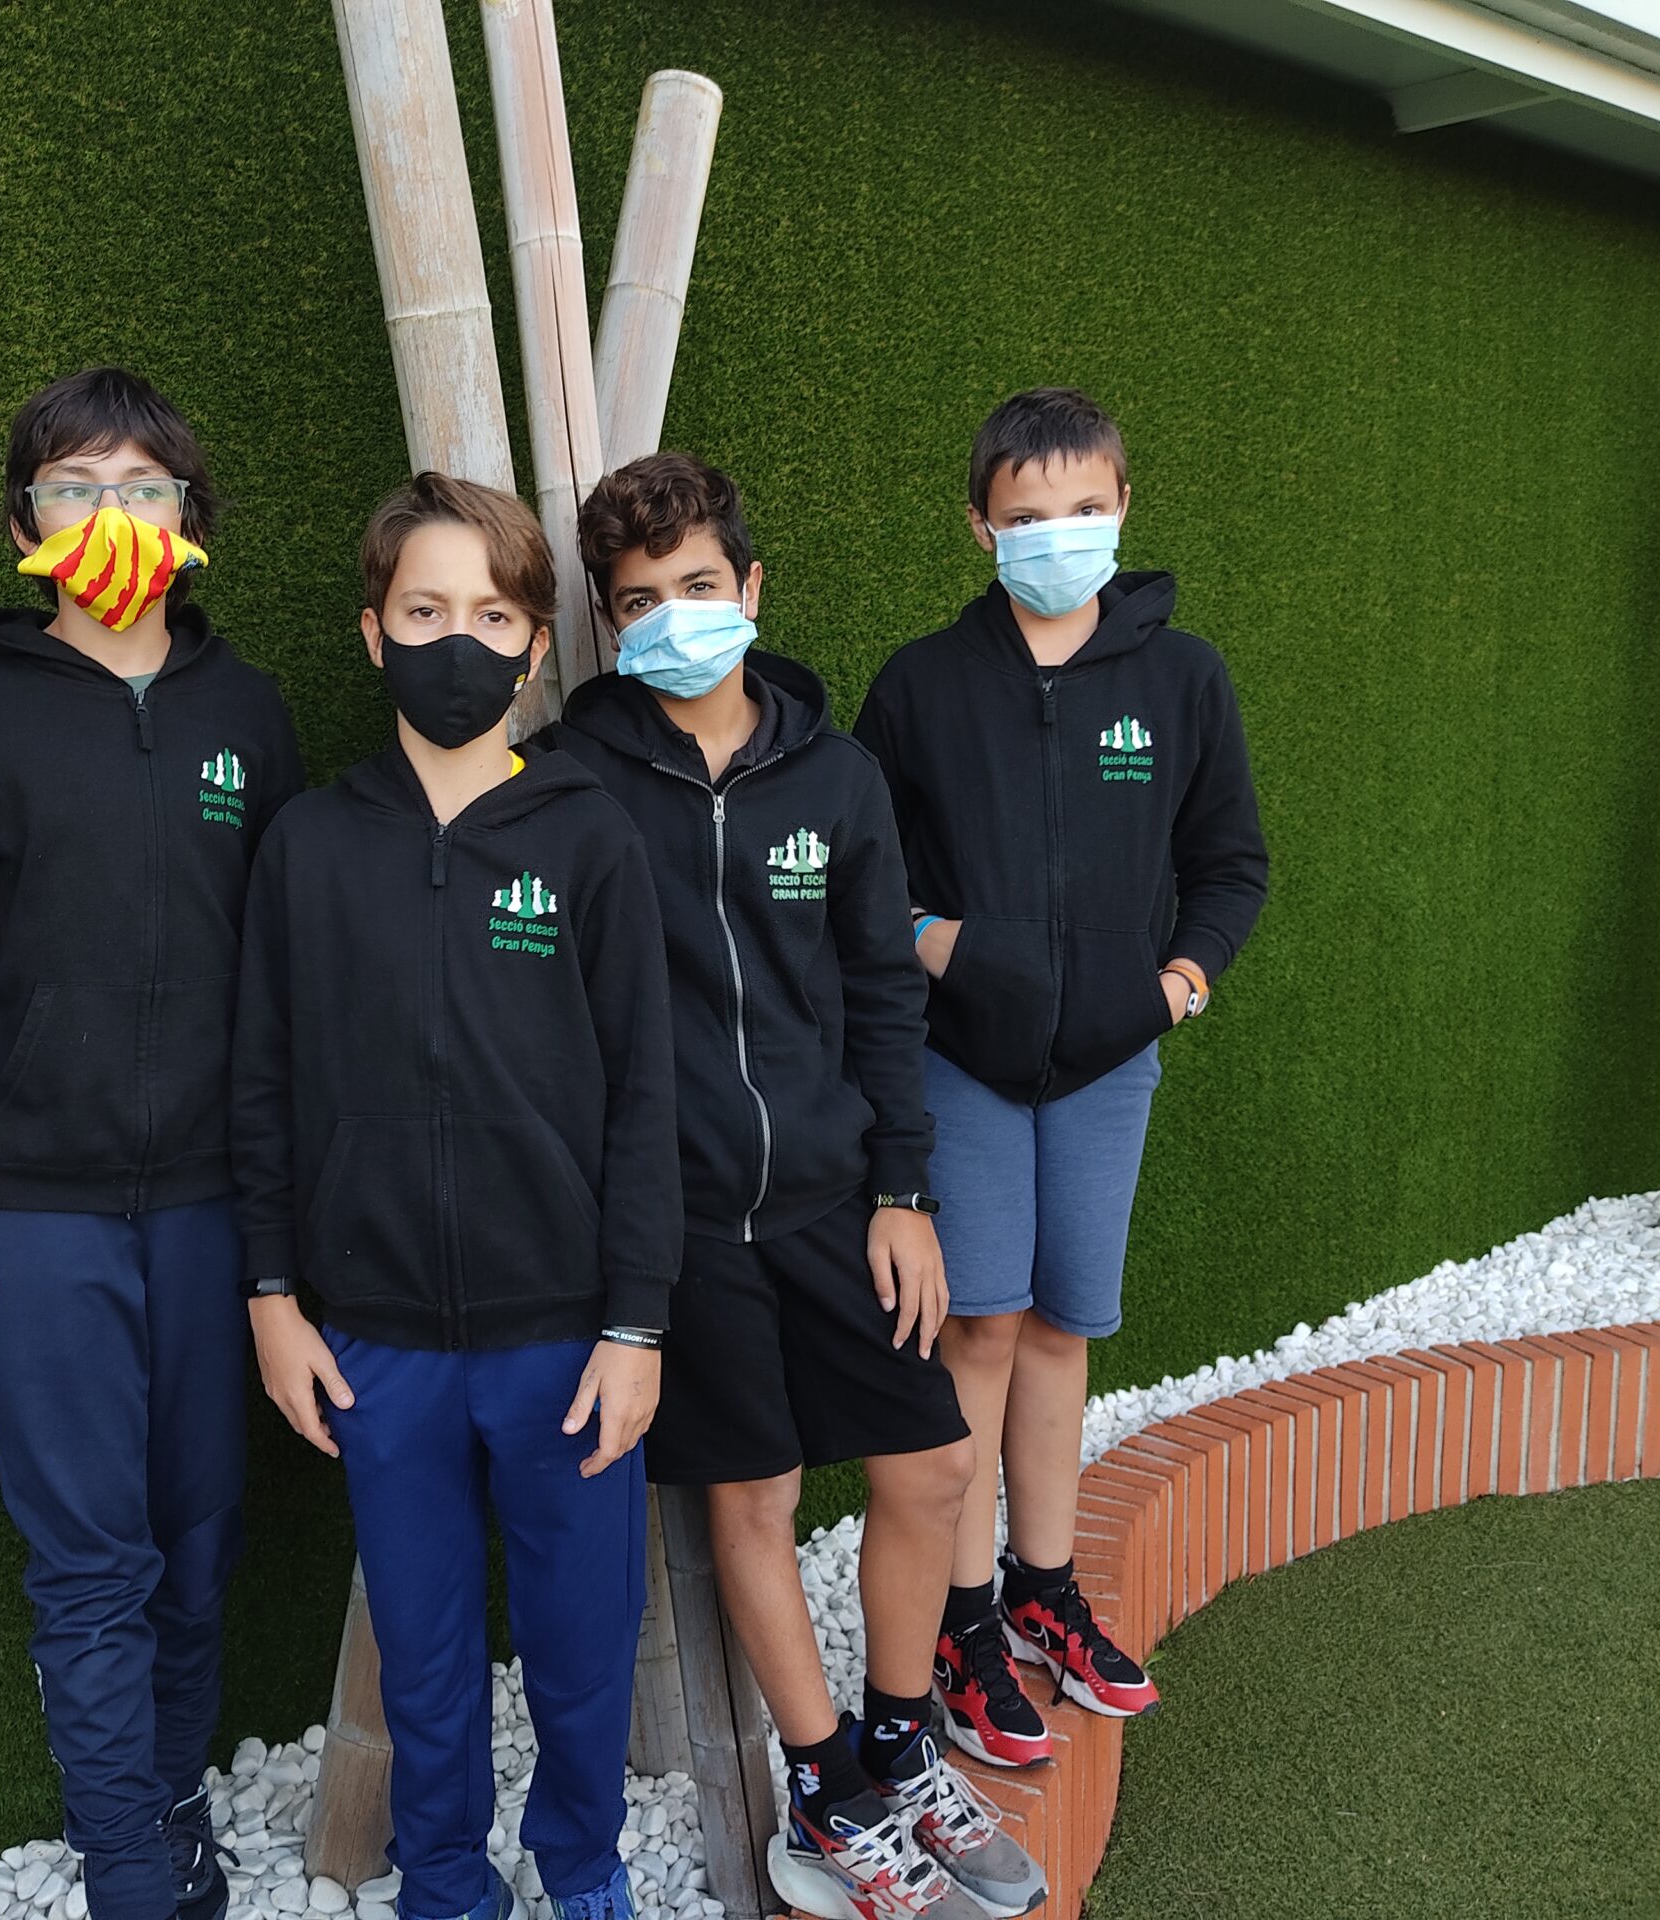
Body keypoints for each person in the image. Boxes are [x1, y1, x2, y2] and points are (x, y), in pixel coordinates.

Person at [547, 452, 1046, 1920]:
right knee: (755, 1496)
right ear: (608, 621)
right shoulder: (572, 783)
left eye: (699, 586)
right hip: (685, 1222)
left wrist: (905, 1191)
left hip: (835, 1199)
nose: (674, 618)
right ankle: (826, 1796)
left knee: (935, 1466)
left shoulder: (838, 779)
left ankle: (899, 1748)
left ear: (752, 588)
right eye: (641, 600)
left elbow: (884, 990)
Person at [0, 366, 304, 1920]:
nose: (109, 513)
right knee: (87, 1558)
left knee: (199, 1539)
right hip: (39, 1207)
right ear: (24, 525)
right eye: (75, 486)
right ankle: (131, 1869)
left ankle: (171, 1795)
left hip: (213, 1200)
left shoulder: (247, 711)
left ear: (191, 520)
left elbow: (290, 973)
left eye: (142, 486)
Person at [232, 472, 678, 1920]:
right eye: (424, 612)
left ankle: (583, 1864)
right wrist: (273, 1298)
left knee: (581, 1640)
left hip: (566, 1336)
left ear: (536, 647)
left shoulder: (590, 836)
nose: (457, 642)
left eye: (491, 615)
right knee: (421, 1651)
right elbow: (260, 1085)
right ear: (373, 634)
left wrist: (636, 1325)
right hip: (376, 1337)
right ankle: (441, 1878)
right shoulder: (307, 844)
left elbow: (647, 1096)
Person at [855, 388, 1266, 1757]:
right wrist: (942, 943)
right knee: (978, 1328)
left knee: (1060, 1330)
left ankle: (1043, 1589)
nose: (1058, 535)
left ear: (1123, 507)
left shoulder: (1182, 678)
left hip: (1107, 1067)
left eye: (1085, 508)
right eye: (1027, 516)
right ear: (979, 526)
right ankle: (964, 1617)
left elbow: (1230, 865)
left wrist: (1174, 985)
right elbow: (871, 876)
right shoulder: (921, 685)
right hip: (963, 1061)